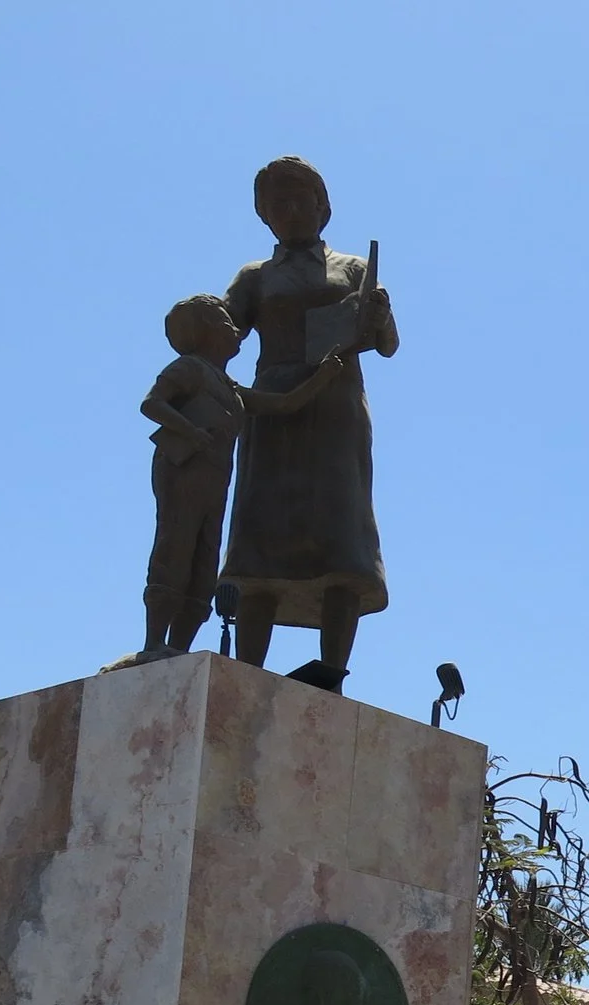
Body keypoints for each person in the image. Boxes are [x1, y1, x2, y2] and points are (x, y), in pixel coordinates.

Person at [219, 156, 396, 690]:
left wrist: (379, 315)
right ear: (263, 216)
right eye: (278, 204)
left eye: (301, 201)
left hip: (336, 408)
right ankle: (249, 673)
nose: (291, 211)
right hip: (272, 407)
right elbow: (221, 337)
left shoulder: (353, 269)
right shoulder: (256, 277)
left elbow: (387, 345)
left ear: (324, 209)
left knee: (340, 540)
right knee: (258, 539)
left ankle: (332, 672)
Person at [135, 296, 341, 664]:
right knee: (175, 548)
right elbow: (152, 404)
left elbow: (282, 404)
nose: (235, 329)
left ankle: (177, 649)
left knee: (204, 562)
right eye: (225, 322)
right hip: (184, 469)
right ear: (205, 332)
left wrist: (322, 377)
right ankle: (154, 642)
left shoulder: (228, 387)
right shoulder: (190, 369)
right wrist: (192, 430)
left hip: (215, 479)